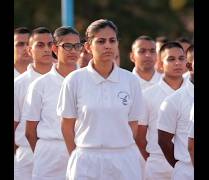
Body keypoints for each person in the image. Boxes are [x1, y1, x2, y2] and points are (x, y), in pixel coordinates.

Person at [57, 19, 145, 180]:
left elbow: (133, 124)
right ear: (88, 46)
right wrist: (79, 155)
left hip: (124, 159)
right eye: (101, 41)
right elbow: (67, 125)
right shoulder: (74, 80)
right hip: (86, 160)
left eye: (112, 41)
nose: (108, 46)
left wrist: (117, 147)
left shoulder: (130, 80)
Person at [23, 26, 82, 180]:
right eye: (67, 46)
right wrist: (46, 153)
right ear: (55, 48)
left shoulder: (88, 81)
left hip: (83, 153)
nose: (73, 51)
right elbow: (30, 131)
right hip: (50, 157)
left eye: (77, 46)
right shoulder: (39, 85)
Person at [136, 42, 187, 180]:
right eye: (171, 59)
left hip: (188, 165)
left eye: (181, 58)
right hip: (158, 167)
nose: (177, 63)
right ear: (159, 64)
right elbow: (140, 137)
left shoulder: (191, 93)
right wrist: (152, 158)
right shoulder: (147, 95)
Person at [14, 27, 54, 180]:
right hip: (26, 157)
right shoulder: (18, 84)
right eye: (40, 45)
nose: (46, 49)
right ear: (30, 50)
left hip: (60, 154)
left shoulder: (67, 80)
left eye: (50, 44)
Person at [157, 42, 194, 180]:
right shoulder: (173, 101)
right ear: (189, 66)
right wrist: (182, 164)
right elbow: (163, 140)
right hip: (187, 171)